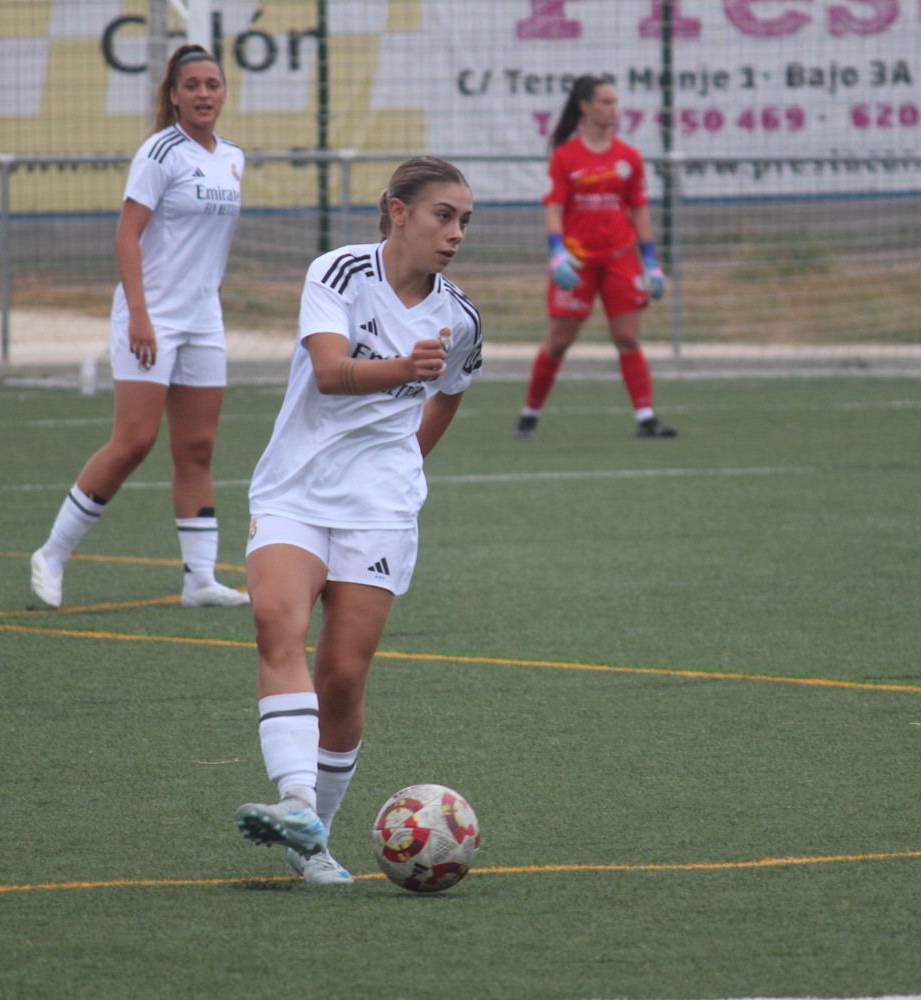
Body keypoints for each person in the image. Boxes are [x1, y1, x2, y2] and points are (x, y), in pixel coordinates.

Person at [234, 157, 482, 884]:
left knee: (341, 678)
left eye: (465, 220)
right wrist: (407, 367)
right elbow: (331, 372)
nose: (456, 232)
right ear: (397, 211)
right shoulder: (339, 273)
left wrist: (405, 465)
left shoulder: (460, 317)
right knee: (276, 621)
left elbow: (453, 390)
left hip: (380, 505)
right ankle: (299, 811)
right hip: (297, 488)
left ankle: (314, 837)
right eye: (444, 215)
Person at [30, 45, 249, 608]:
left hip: (204, 320)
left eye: (213, 84)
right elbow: (126, 236)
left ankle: (200, 579)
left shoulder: (232, 158)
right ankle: (52, 554)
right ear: (173, 95)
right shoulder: (159, 152)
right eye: (193, 85)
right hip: (148, 316)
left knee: (197, 448)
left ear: (225, 93)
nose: (204, 94)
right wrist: (142, 315)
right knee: (134, 441)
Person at [515, 75, 675, 440]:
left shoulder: (629, 157)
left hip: (621, 258)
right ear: (584, 106)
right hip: (577, 261)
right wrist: (557, 253)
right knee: (558, 342)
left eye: (615, 101)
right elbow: (554, 207)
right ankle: (529, 414)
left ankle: (646, 418)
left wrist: (651, 261)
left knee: (628, 338)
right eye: (605, 101)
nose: (612, 109)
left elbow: (639, 210)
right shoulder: (565, 156)